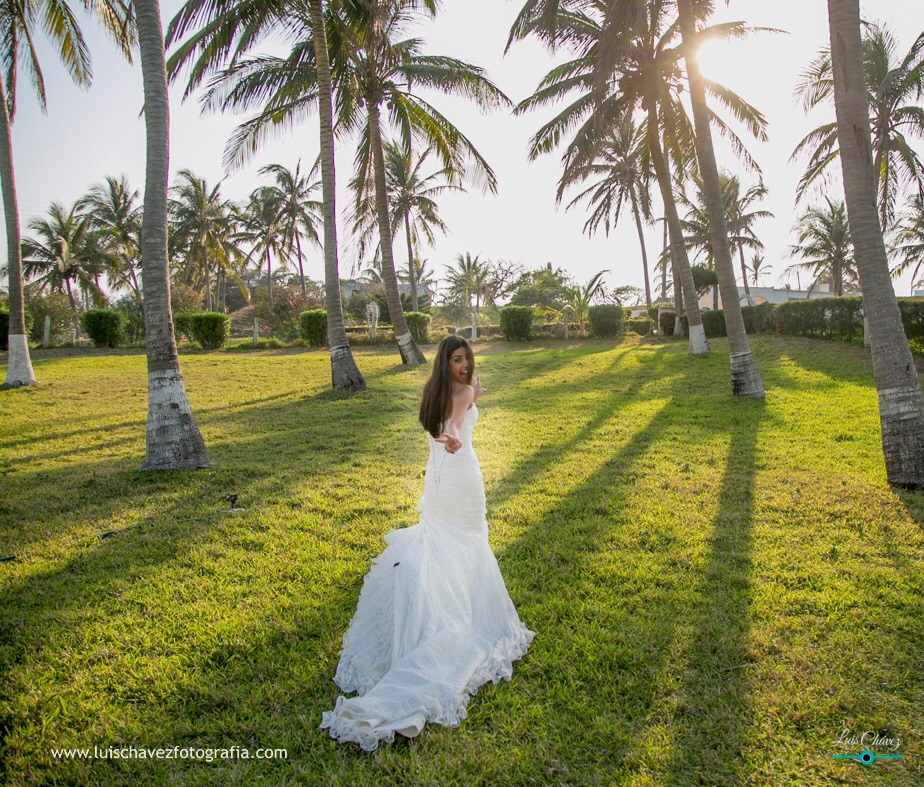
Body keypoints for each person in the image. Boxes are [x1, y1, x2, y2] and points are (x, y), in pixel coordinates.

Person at [321, 336, 535, 751]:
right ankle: (451, 626)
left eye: (468, 358)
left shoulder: (433, 392)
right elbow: (455, 422)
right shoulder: (461, 392)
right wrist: (460, 424)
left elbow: (450, 417)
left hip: (437, 482)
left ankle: (436, 612)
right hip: (461, 481)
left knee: (442, 548)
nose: (466, 364)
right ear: (446, 362)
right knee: (466, 547)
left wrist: (467, 406)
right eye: (458, 359)